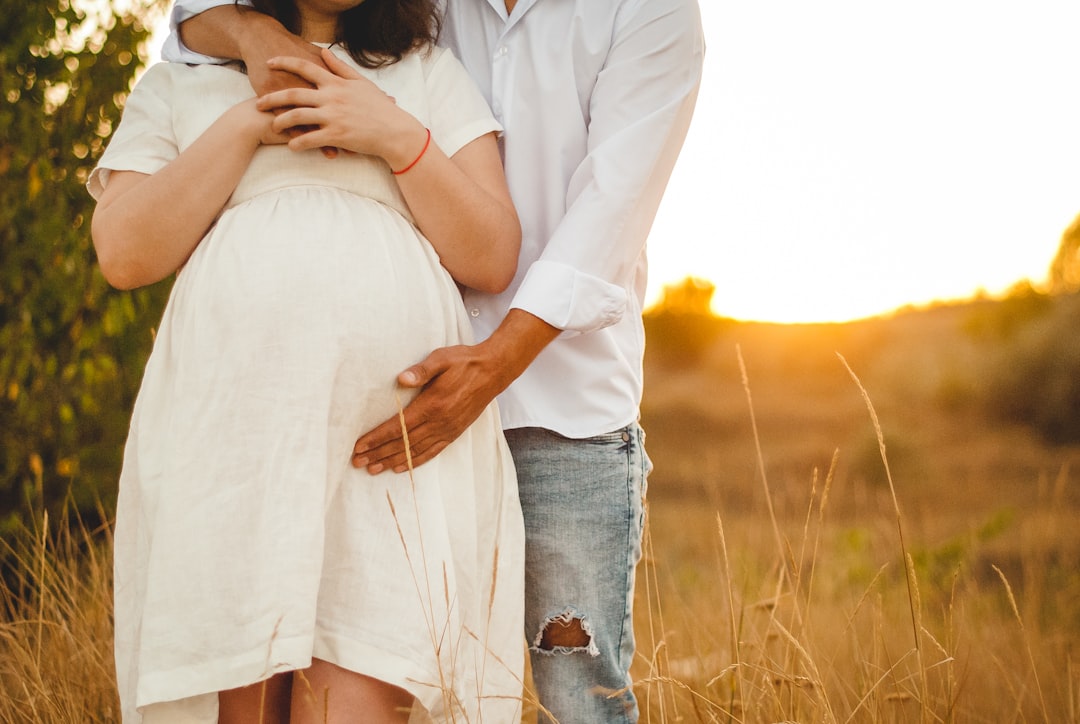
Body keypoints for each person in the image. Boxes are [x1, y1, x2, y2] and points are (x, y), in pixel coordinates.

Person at [169, 1, 705, 720]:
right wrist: (255, 34)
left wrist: (492, 366)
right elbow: (192, 12)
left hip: (560, 417)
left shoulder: (651, 11)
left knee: (577, 691)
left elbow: (611, 208)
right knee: (387, 673)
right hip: (392, 412)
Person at [89, 0, 527, 721]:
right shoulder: (180, 83)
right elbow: (126, 252)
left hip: (387, 458)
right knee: (242, 685)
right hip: (238, 453)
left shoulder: (426, 74)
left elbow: (491, 254)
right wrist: (250, 123)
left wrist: (394, 136)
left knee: (361, 682)